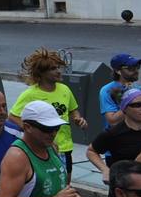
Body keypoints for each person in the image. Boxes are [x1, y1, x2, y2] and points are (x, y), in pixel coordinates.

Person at [10, 48, 87, 178]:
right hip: (43, 147)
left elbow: (73, 110)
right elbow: (13, 116)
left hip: (65, 146)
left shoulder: (65, 89)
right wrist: (33, 132)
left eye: (58, 67)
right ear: (41, 74)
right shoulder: (30, 94)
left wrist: (78, 119)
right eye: (53, 69)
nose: (58, 71)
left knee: (65, 184)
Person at [89, 88, 141, 186]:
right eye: (137, 105)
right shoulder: (113, 133)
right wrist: (105, 170)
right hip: (124, 188)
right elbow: (91, 151)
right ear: (124, 109)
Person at [99, 54, 141, 129]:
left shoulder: (135, 86)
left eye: (137, 67)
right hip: (117, 137)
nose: (136, 71)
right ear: (118, 71)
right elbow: (112, 122)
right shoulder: (106, 90)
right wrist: (129, 101)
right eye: (131, 68)